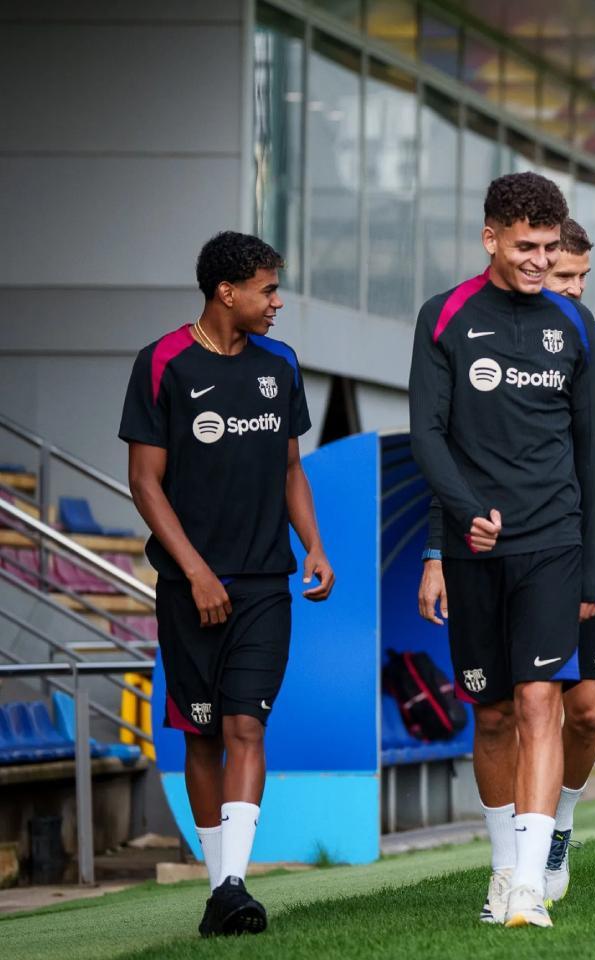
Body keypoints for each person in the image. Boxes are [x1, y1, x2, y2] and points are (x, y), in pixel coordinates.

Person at [418, 217, 595, 907]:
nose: (573, 288)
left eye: (581, 276)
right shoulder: (467, 327)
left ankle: (557, 829)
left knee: (584, 711)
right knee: (507, 710)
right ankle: (511, 865)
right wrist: (437, 552)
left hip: (577, 550)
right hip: (493, 552)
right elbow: (456, 448)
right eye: (562, 276)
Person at [120, 231, 335, 937]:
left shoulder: (281, 365)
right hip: (190, 588)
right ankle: (222, 893)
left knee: (247, 722)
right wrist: (196, 570)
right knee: (203, 736)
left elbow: (289, 469)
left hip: (265, 585)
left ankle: (236, 882)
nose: (278, 302)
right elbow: (145, 484)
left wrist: (315, 546)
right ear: (227, 292)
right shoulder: (162, 364)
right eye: (268, 289)